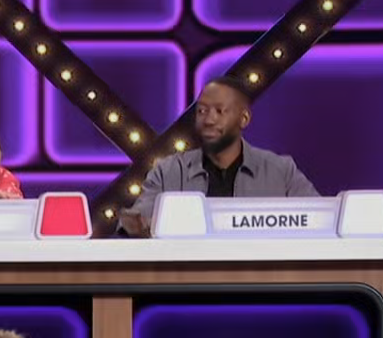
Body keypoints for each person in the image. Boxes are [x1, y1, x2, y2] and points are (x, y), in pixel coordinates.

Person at [120, 75, 319, 236]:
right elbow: (138, 219)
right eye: (202, 111)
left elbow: (320, 220)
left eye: (219, 111)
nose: (209, 120)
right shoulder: (169, 171)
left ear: (244, 118)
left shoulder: (281, 171)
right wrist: (136, 225)